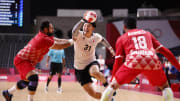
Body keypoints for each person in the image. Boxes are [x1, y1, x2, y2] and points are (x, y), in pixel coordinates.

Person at [100, 17, 180, 101]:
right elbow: (166, 52)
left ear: (124, 27)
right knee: (165, 87)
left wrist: (113, 82)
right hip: (151, 59)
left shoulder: (122, 38)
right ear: (136, 26)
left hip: (134, 60)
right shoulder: (147, 33)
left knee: (112, 86)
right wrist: (178, 67)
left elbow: (118, 61)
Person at [2, 21, 73, 101]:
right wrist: (73, 42)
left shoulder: (46, 36)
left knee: (26, 82)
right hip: (22, 60)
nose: (53, 30)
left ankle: (8, 92)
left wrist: (72, 40)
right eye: (51, 28)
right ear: (46, 29)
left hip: (29, 62)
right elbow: (59, 46)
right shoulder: (43, 39)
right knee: (33, 77)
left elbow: (59, 40)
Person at [72, 11, 115, 100]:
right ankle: (109, 99)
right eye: (84, 25)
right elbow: (73, 31)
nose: (85, 27)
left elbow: (103, 40)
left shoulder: (96, 37)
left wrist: (110, 48)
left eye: (88, 26)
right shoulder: (79, 35)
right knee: (92, 94)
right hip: (79, 68)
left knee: (94, 72)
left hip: (91, 62)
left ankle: (108, 87)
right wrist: (82, 20)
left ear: (93, 28)